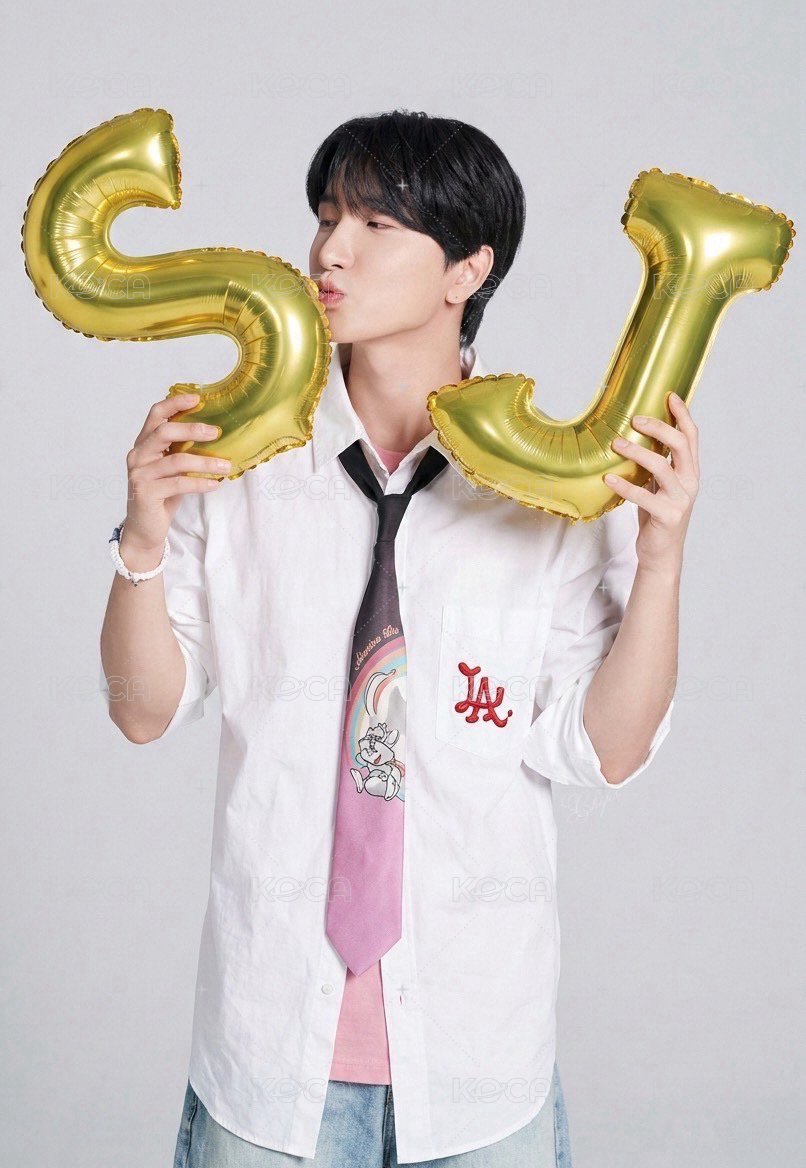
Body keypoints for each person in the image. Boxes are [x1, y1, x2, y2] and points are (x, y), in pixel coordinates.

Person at [100, 110, 697, 1167]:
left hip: (476, 1059)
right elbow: (144, 711)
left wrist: (659, 557)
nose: (331, 251)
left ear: (469, 267)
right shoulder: (234, 460)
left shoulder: (552, 487)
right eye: (328, 216)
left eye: (376, 224)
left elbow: (604, 748)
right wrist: (142, 538)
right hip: (265, 1054)